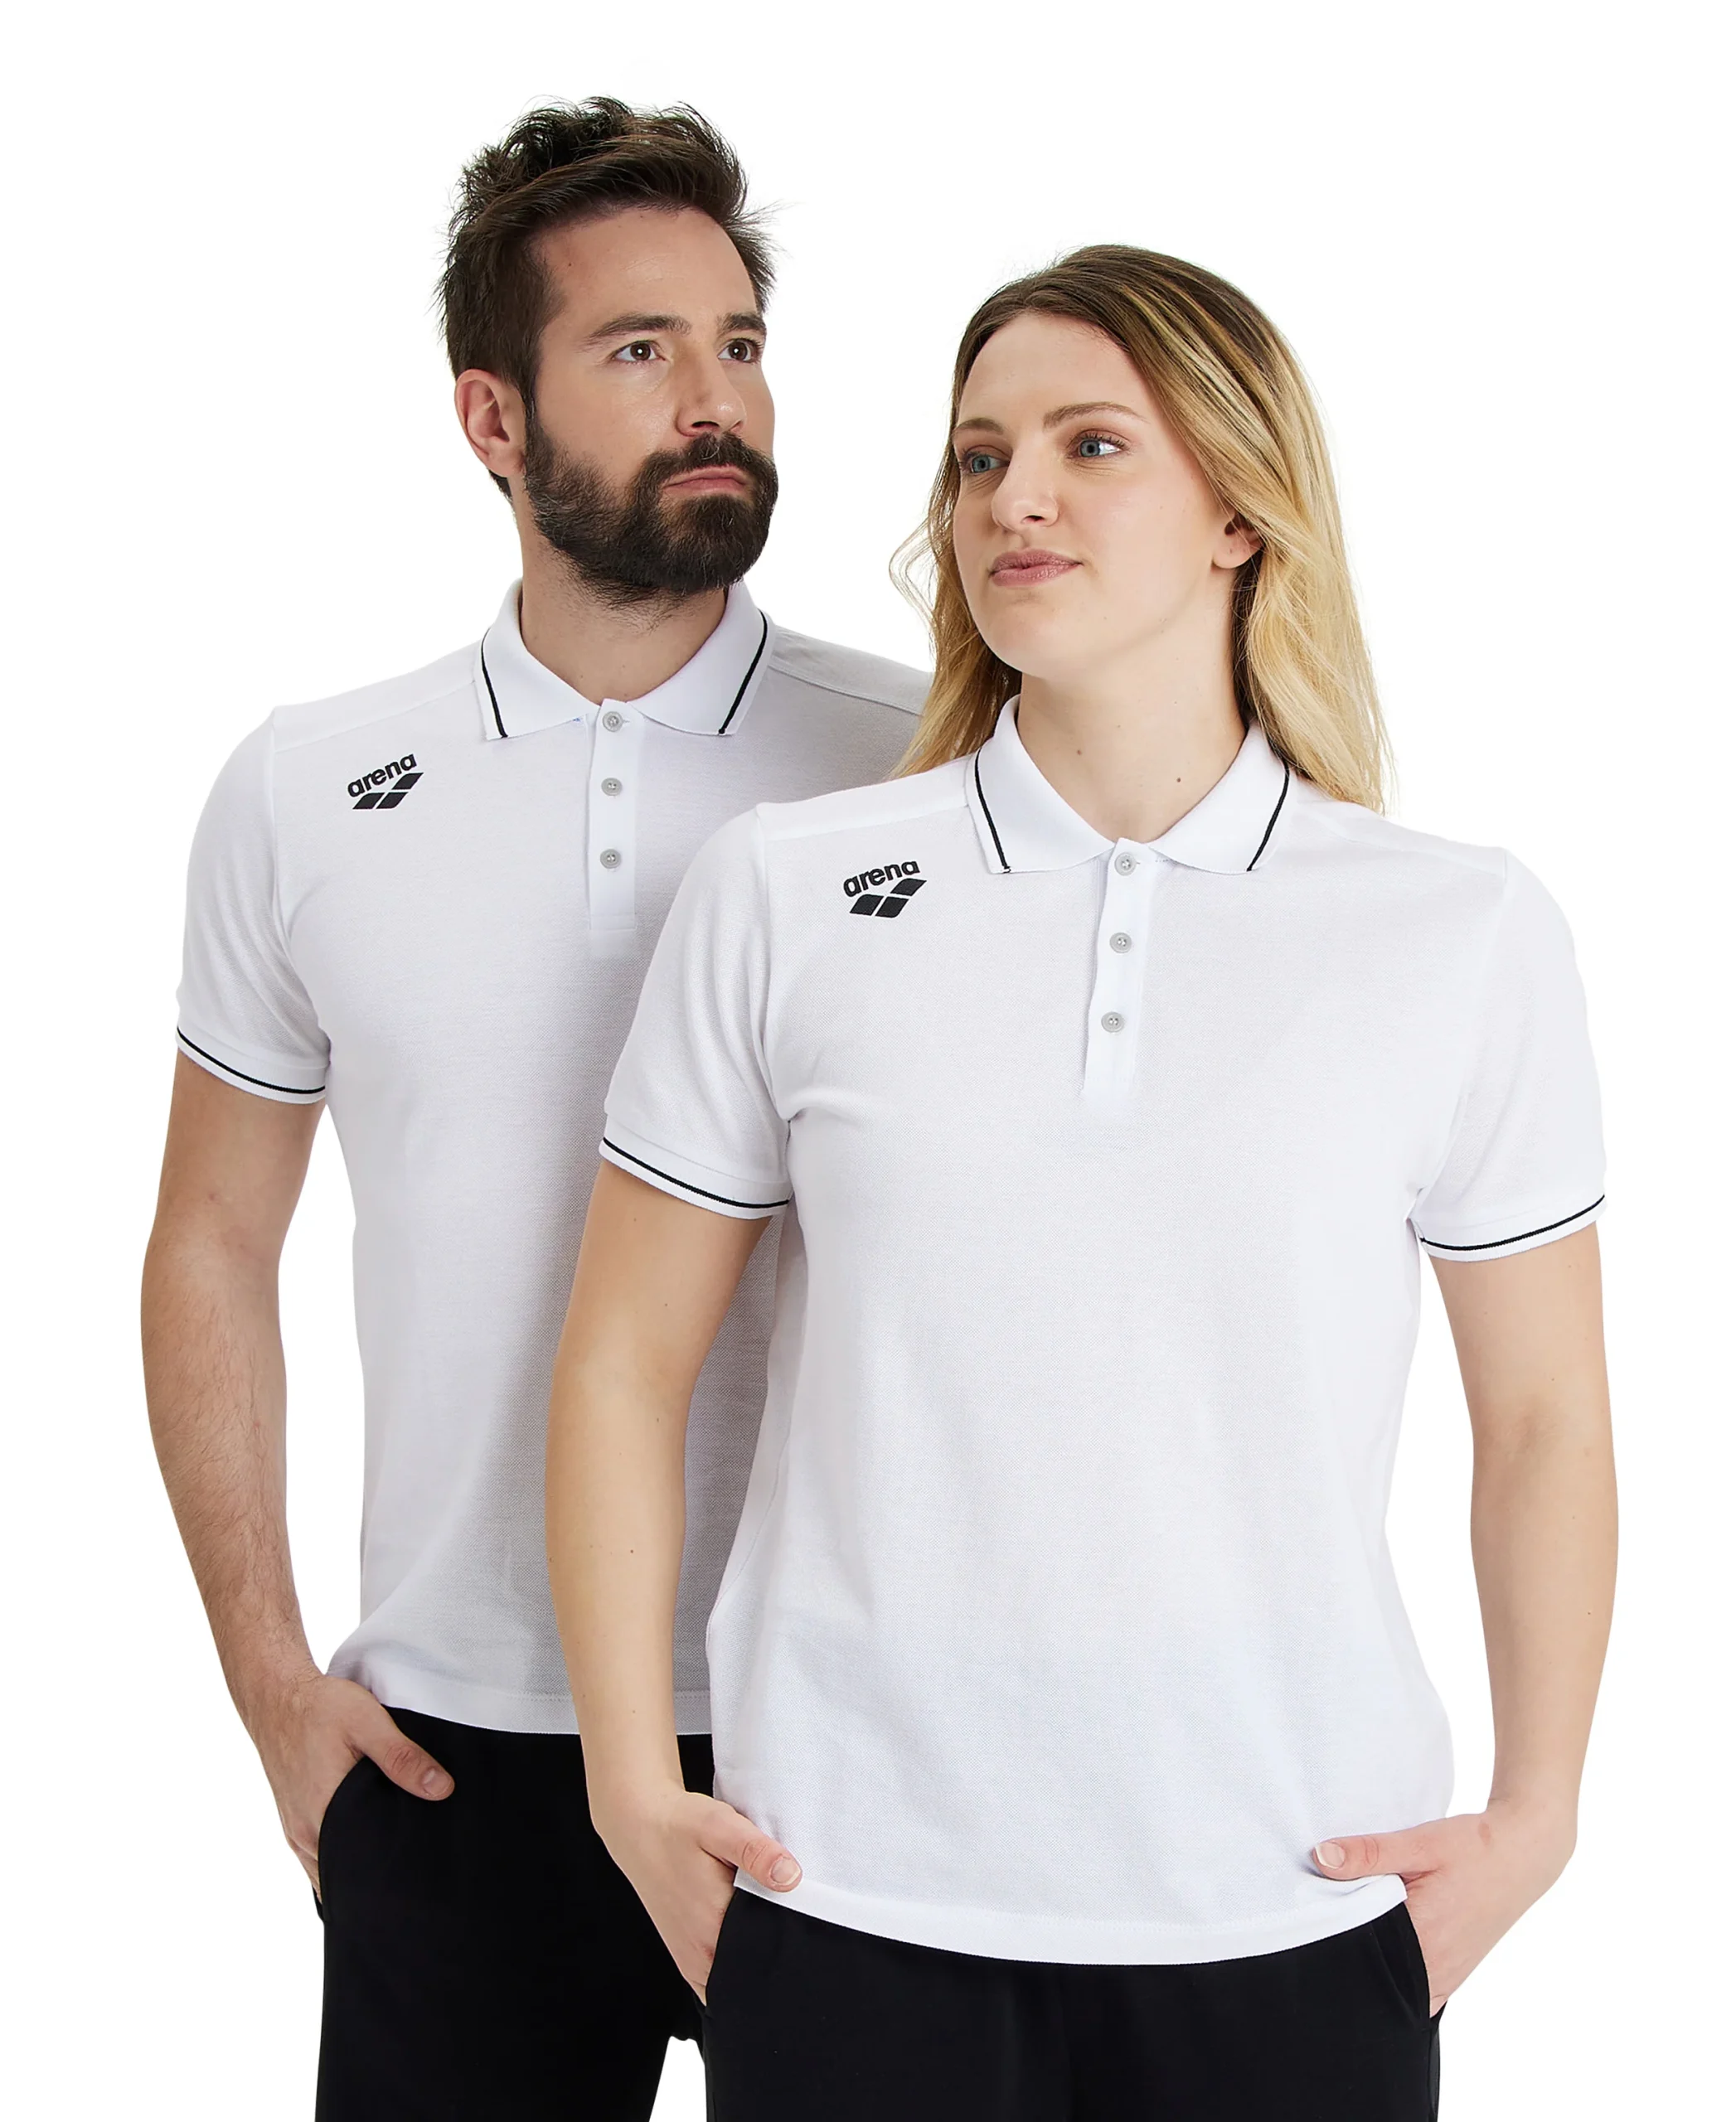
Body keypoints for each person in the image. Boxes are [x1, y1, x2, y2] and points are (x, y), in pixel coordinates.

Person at [546, 246, 1617, 2120]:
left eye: (1087, 444)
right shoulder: (790, 892)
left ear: (1240, 513)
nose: (1011, 498)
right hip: (842, 1897)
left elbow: (1542, 1418)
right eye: (978, 457)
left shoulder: (1455, 929)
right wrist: (632, 1789)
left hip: (1288, 1903)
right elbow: (624, 1362)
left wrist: (1538, 1815)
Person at [140, 99, 924, 2121]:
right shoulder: (312, 787)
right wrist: (272, 1682)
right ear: (493, 419)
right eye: (640, 349)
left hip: (844, 1741)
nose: (716, 398)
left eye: (739, 343)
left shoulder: (919, 759)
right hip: (452, 1751)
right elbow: (211, 1236)